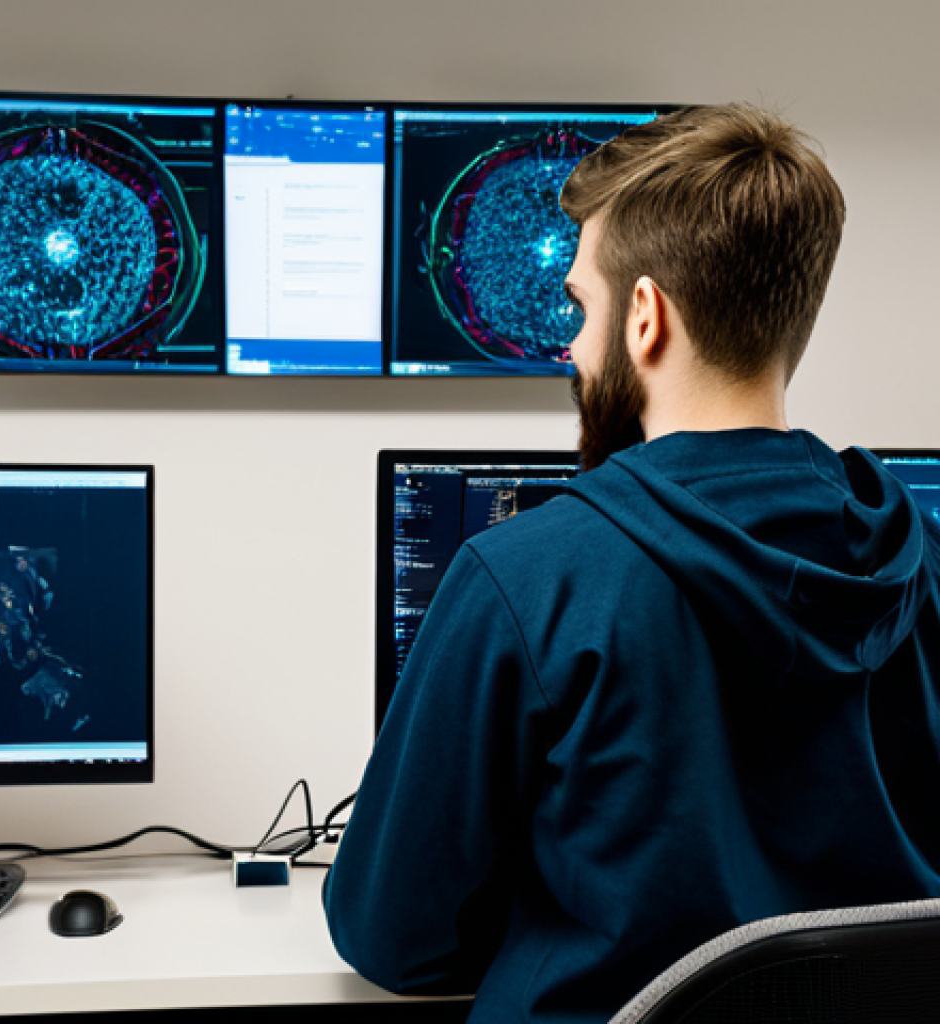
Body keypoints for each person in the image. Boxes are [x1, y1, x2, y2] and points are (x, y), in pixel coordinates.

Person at [322, 105, 940, 1022]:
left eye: (582, 306)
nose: (573, 347)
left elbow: (389, 935)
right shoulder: (920, 559)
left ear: (645, 317)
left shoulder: (527, 574)